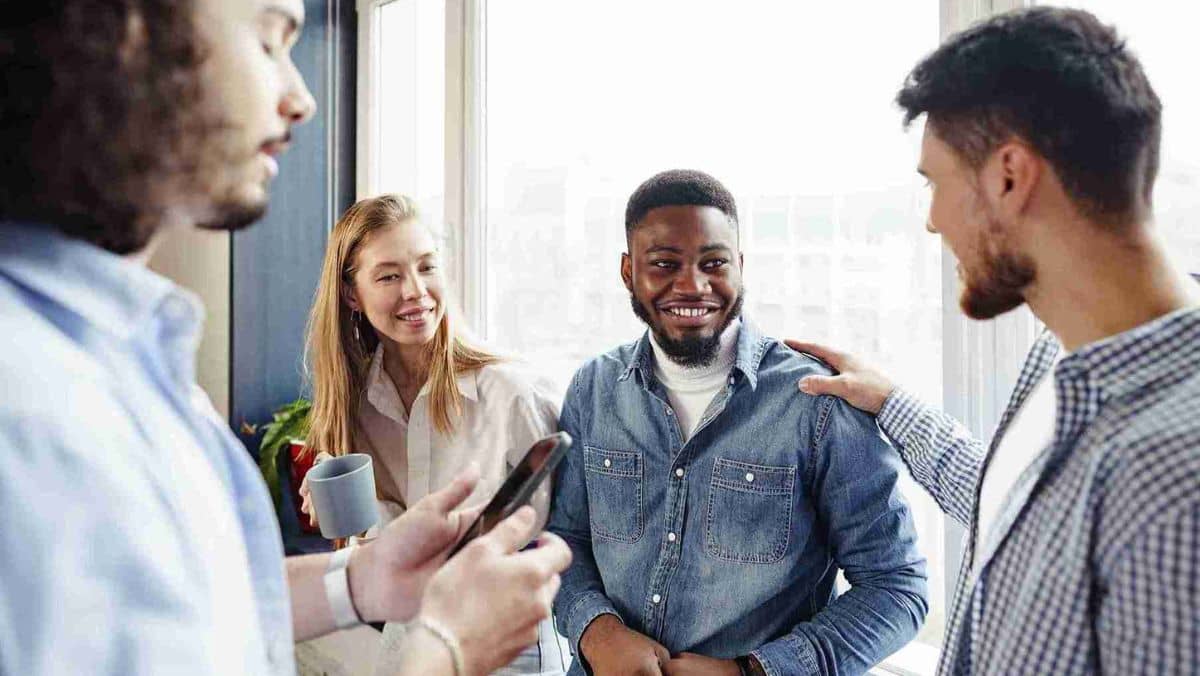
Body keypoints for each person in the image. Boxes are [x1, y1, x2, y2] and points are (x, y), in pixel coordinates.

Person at [0, 1, 569, 674]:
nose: (301, 99)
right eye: (270, 41)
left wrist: (360, 580)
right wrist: (442, 650)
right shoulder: (33, 405)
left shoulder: (124, 362)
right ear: (125, 38)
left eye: (424, 268)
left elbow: (183, 612)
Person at [790, 7, 1200, 674]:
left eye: (936, 183)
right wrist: (893, 404)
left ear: (1009, 175)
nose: (930, 221)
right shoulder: (1060, 353)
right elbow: (1025, 514)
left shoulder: (1177, 482)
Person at [547, 169, 928, 676]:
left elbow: (896, 587)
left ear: (740, 267)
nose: (692, 285)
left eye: (714, 263)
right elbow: (562, 540)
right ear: (627, 272)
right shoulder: (593, 388)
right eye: (664, 264)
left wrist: (752, 672)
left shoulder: (817, 402)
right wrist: (597, 631)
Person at [297, 193, 569, 674]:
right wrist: (338, 510)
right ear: (351, 295)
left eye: (427, 267)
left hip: (509, 647)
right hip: (410, 643)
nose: (416, 291)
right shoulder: (353, 407)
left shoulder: (512, 394)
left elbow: (568, 539)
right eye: (389, 275)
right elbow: (379, 557)